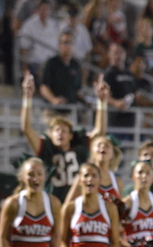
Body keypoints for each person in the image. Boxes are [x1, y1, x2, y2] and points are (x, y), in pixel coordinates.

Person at [20, 71, 108, 201]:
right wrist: (27, 98)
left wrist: (102, 103)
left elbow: (100, 131)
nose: (60, 133)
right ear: (51, 134)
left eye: (64, 130)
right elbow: (26, 128)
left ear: (71, 136)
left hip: (77, 202)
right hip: (53, 201)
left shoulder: (80, 147)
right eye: (56, 130)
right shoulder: (46, 147)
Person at [39, 29, 81, 106]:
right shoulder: (51, 63)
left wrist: (84, 101)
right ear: (59, 45)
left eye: (70, 43)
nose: (67, 46)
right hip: (52, 110)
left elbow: (77, 89)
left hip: (70, 109)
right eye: (65, 43)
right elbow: (44, 87)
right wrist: (54, 100)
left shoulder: (75, 65)